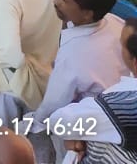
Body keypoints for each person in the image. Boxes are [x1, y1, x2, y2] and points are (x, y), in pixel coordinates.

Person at [23, 0, 126, 154]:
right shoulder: (114, 22)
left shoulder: (74, 55)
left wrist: (33, 124)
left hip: (86, 133)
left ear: (87, 13)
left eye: (64, 0)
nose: (56, 2)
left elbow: (54, 103)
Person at [43, 18, 137, 160]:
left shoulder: (119, 106)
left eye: (121, 45)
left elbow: (59, 122)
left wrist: (77, 135)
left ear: (135, 62)